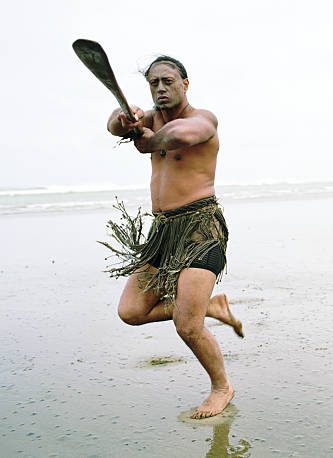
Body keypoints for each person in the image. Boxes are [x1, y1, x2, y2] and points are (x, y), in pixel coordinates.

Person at [103, 55, 242, 419]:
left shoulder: (203, 119)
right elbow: (113, 127)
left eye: (168, 81)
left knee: (187, 325)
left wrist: (149, 140)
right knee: (130, 311)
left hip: (200, 229)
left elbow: (180, 136)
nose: (161, 88)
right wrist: (123, 120)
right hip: (162, 233)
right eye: (154, 83)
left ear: (185, 83)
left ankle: (221, 387)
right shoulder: (148, 118)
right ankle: (211, 306)